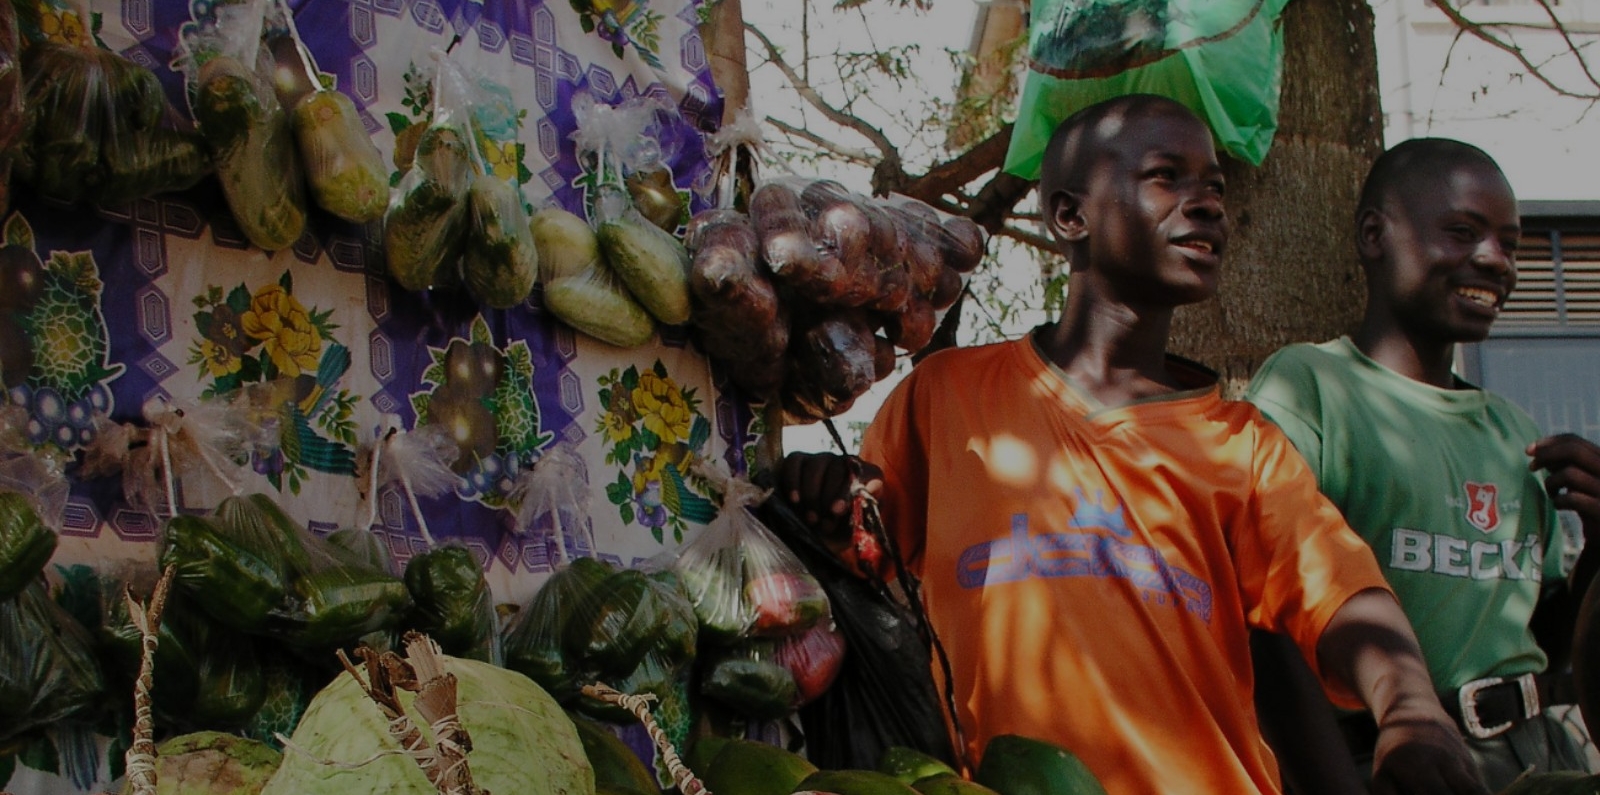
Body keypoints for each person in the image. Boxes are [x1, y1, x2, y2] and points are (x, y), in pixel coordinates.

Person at [779, 94, 1486, 795]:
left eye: (1214, 186)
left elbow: (1343, 595)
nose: (1207, 203)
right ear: (1069, 215)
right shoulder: (945, 398)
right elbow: (869, 564)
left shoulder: (1244, 447)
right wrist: (826, 502)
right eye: (1165, 176)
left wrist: (1411, 707)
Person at [1246, 137, 1600, 793]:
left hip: (1537, 757)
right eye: (1463, 232)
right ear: (1375, 235)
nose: (1495, 260)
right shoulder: (1311, 389)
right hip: (1387, 765)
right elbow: (1263, 613)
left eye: (1512, 244)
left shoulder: (1513, 430)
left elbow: (1543, 633)